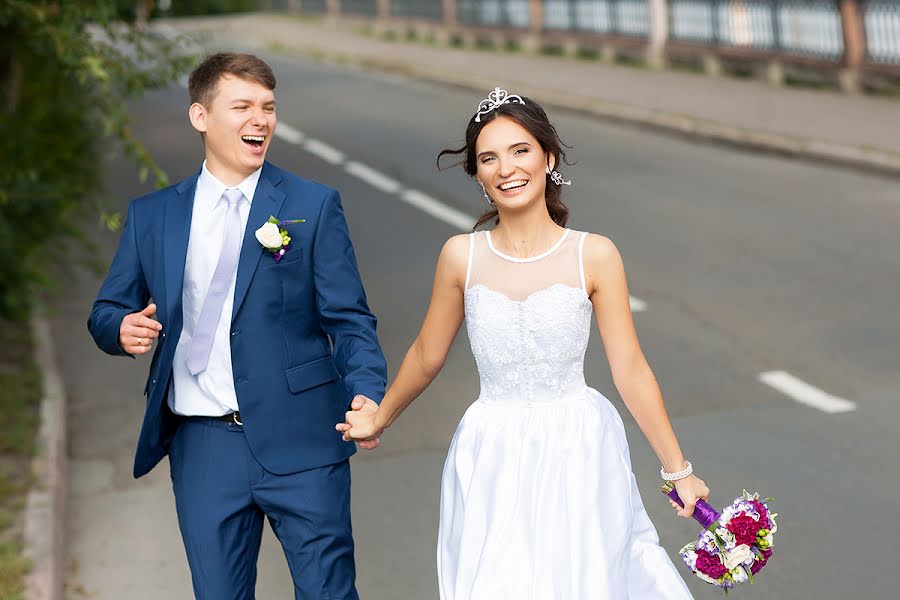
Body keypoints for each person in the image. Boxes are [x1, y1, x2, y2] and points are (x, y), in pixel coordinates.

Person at [337, 88, 707, 598]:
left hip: (579, 447)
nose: (506, 168)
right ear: (479, 175)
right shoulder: (460, 256)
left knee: (583, 582)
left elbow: (631, 370)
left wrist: (678, 471)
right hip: (491, 449)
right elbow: (427, 353)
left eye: (520, 150)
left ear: (548, 158)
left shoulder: (594, 256)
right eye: (489, 158)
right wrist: (380, 416)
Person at [87, 52, 386, 600]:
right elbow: (106, 310)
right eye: (242, 105)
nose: (260, 119)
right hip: (203, 446)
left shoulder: (311, 206)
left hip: (304, 441)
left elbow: (349, 320)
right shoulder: (154, 216)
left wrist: (368, 393)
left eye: (268, 107)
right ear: (200, 116)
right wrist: (120, 329)